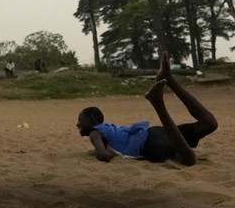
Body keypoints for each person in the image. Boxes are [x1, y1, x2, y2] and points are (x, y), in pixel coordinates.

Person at [77, 52, 218, 166]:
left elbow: (104, 157)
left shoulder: (94, 134)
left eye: (80, 120)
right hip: (154, 132)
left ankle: (158, 104)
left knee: (188, 159)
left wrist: (97, 151)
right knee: (209, 123)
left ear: (91, 119)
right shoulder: (110, 130)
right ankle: (169, 79)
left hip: (147, 144)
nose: (78, 124)